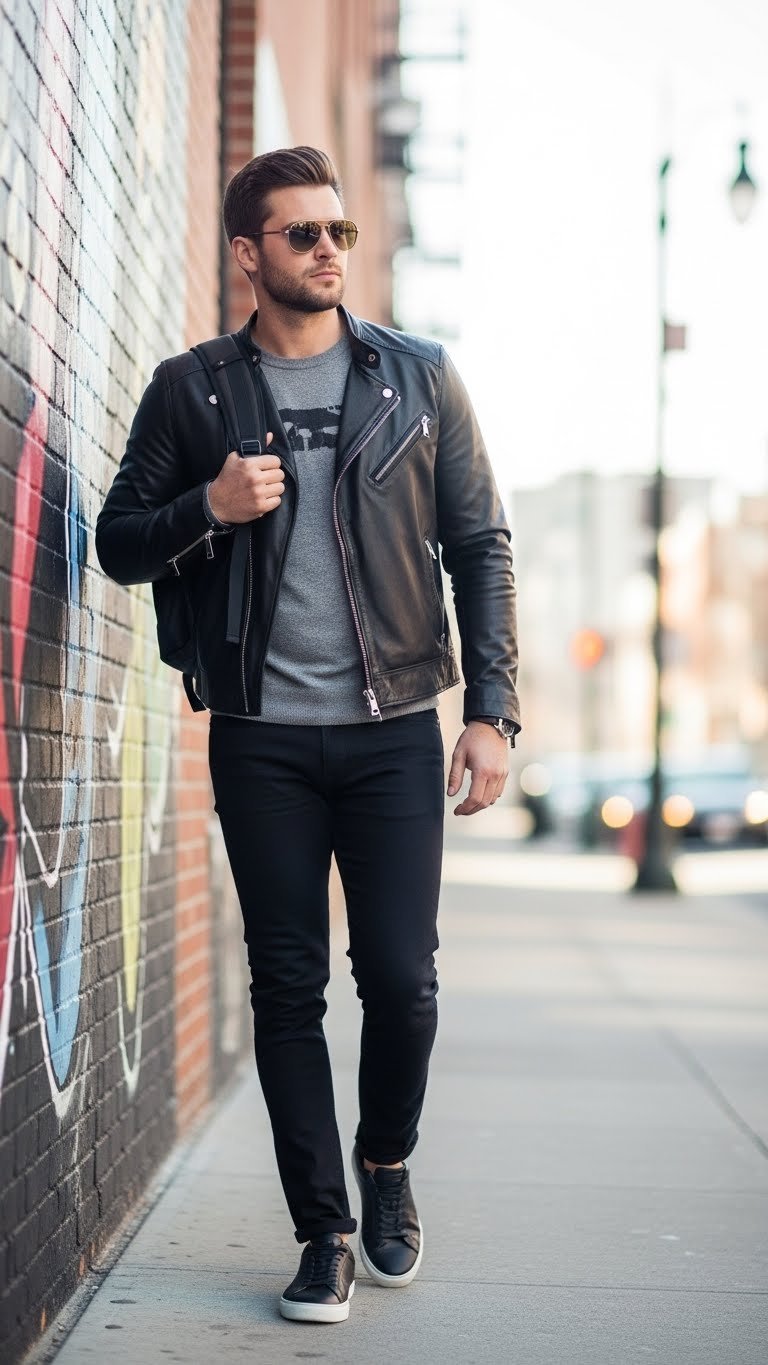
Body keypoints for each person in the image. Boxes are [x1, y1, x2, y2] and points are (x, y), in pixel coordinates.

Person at [96, 146, 520, 1325]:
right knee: (285, 990)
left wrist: (490, 711)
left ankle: (385, 1166)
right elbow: (120, 539)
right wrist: (207, 509)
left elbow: (481, 545)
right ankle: (323, 1231)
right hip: (261, 736)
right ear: (248, 252)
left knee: (401, 980)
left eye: (337, 229)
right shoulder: (195, 392)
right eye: (300, 233)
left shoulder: (417, 379)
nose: (328, 248)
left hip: (390, 733)